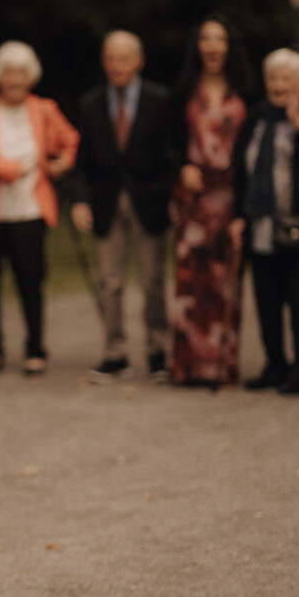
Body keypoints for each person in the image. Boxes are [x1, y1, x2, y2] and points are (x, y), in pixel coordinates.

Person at [0, 41, 78, 375]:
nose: (16, 79)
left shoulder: (44, 109)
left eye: (22, 72)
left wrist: (62, 161)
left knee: (31, 281)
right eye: (9, 72)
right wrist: (7, 169)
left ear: (31, 76)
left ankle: (36, 348)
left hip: (29, 211)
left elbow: (70, 140)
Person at [69, 30, 180, 384]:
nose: (116, 65)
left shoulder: (160, 99)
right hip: (105, 200)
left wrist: (171, 195)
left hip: (150, 198)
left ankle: (157, 351)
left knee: (152, 280)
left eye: (123, 58)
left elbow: (173, 153)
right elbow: (82, 160)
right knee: (109, 281)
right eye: (111, 59)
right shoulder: (91, 103)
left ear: (139, 61)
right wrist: (81, 201)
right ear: (104, 62)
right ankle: (115, 353)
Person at [170, 16, 253, 387]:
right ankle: (188, 367)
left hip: (231, 198)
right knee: (191, 282)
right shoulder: (184, 90)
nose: (213, 45)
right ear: (198, 46)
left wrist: (247, 208)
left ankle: (222, 365)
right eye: (206, 38)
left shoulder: (247, 92)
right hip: (192, 200)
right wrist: (181, 168)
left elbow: (254, 153)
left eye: (220, 38)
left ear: (229, 46)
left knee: (224, 282)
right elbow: (166, 143)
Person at [232, 48, 299, 395]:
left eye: (286, 79)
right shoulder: (256, 118)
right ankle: (274, 365)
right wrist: (239, 215)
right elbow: (242, 172)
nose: (278, 85)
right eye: (273, 78)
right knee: (266, 299)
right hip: (261, 226)